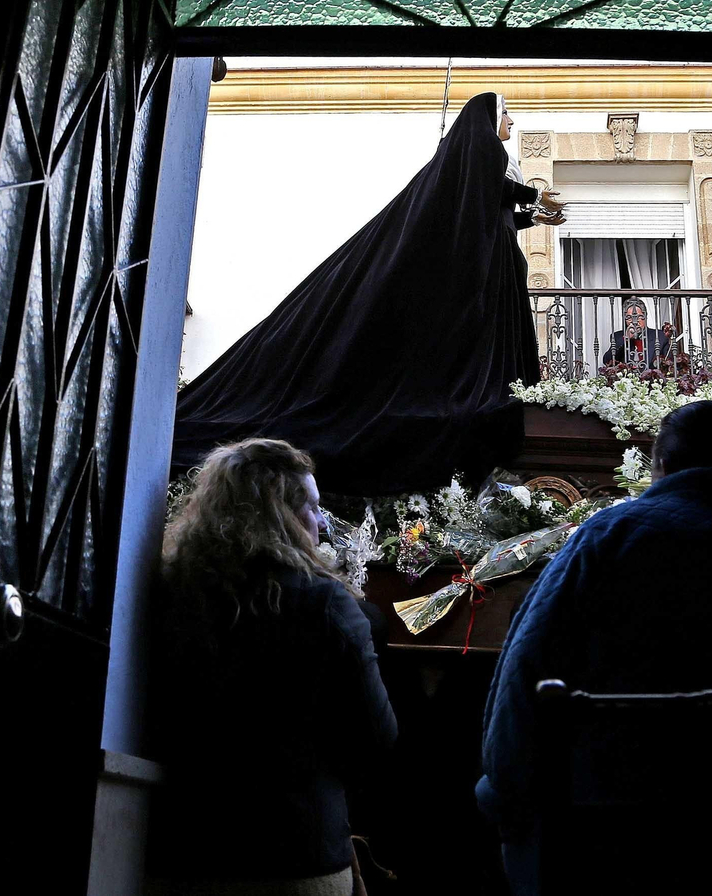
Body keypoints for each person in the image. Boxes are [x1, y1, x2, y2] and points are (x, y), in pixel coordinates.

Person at [476, 401, 712, 892]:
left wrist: (504, 799)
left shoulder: (606, 539)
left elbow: (525, 671)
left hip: (614, 829)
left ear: (661, 466)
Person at [173, 91, 563, 495]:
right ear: (487, 120)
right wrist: (533, 195)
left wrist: (531, 217)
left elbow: (495, 223)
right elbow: (483, 183)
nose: (512, 123)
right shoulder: (473, 162)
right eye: (507, 114)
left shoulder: (481, 183)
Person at [148, 439, 397, 896]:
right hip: (295, 852)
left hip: (181, 846)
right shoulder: (324, 603)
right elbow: (376, 737)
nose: (321, 522)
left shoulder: (165, 594)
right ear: (282, 514)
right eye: (314, 508)